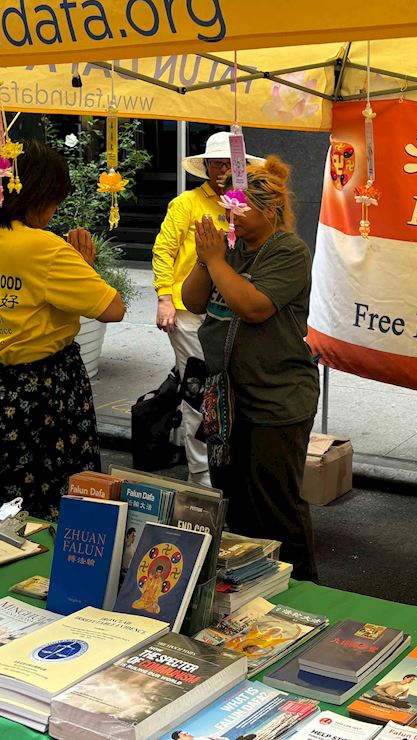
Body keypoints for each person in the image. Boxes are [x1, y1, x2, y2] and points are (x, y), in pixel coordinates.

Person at [0, 140, 125, 521]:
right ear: (36, 196)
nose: (54, 210)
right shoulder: (46, 249)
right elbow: (113, 309)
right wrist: (82, 265)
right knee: (45, 500)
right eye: (54, 200)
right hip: (41, 391)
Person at [182, 156, 320, 581]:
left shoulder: (289, 252)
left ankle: (302, 588)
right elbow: (193, 301)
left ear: (270, 210)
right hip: (227, 399)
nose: (232, 217)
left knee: (275, 506)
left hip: (276, 398)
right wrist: (206, 259)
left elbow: (254, 307)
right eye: (228, 209)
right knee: (235, 503)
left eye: (240, 209)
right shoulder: (229, 249)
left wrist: (217, 262)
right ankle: (248, 584)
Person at [153, 131, 260, 487]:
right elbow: (163, 250)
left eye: (230, 164)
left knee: (229, 391)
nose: (223, 170)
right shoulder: (186, 203)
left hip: (229, 311)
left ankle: (227, 471)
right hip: (189, 312)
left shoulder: (247, 205)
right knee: (198, 393)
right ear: (207, 166)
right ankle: (201, 478)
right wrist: (164, 298)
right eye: (217, 163)